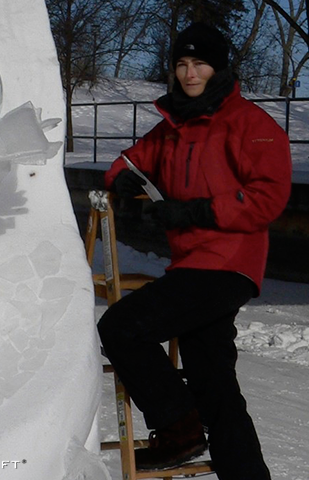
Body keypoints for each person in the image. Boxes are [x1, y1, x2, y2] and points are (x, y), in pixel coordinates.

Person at [97, 22, 292, 480]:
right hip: (191, 263)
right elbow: (126, 161)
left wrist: (197, 212)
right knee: (214, 384)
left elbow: (268, 197)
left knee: (123, 327)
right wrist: (121, 178)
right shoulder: (171, 128)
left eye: (199, 63)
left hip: (226, 264)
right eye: (181, 64)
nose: (189, 73)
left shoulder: (250, 124)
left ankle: (178, 429)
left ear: (219, 68)